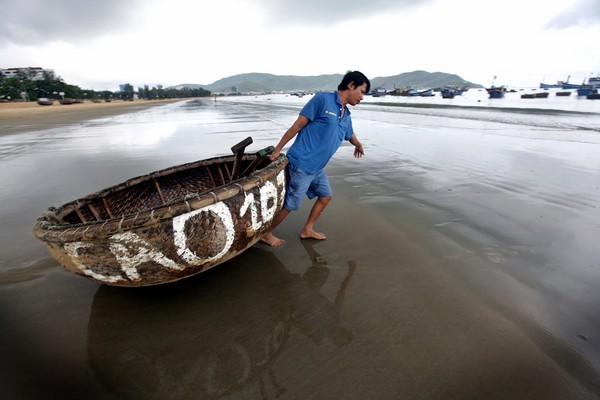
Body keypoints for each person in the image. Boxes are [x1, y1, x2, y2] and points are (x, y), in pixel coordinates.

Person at [261, 70, 370, 247]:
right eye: (362, 92)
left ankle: (307, 229)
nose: (362, 97)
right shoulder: (323, 100)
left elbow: (349, 134)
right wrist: (278, 149)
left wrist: (358, 144)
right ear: (351, 86)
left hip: (316, 169)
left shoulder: (346, 114)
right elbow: (297, 125)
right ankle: (266, 233)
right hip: (301, 164)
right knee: (291, 204)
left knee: (326, 196)